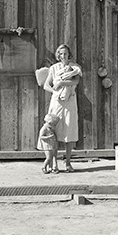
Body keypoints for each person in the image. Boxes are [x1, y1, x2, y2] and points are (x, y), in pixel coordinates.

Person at [44, 44, 82, 172]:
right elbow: (46, 85)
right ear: (58, 55)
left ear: (69, 54)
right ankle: (54, 163)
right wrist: (54, 91)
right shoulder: (54, 68)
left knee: (69, 131)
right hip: (57, 102)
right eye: (60, 54)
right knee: (53, 132)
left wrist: (61, 82)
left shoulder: (74, 67)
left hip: (70, 101)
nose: (63, 56)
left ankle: (68, 163)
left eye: (65, 53)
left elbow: (75, 81)